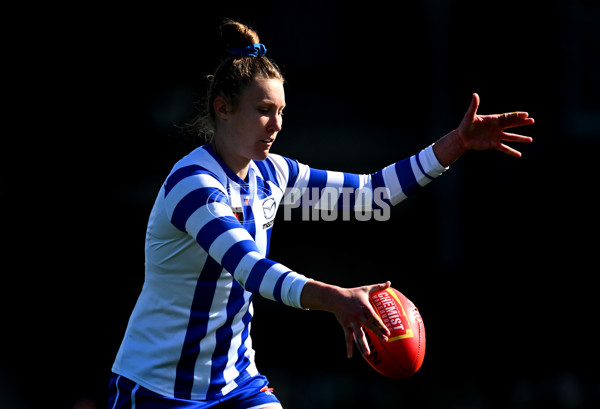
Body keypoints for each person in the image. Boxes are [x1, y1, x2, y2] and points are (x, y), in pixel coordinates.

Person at [108, 19, 534, 409]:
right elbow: (250, 269)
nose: (276, 125)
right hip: (158, 389)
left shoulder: (272, 174)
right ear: (223, 109)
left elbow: (373, 196)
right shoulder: (193, 185)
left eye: (281, 112)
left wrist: (456, 144)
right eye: (263, 111)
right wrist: (336, 299)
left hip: (235, 383)